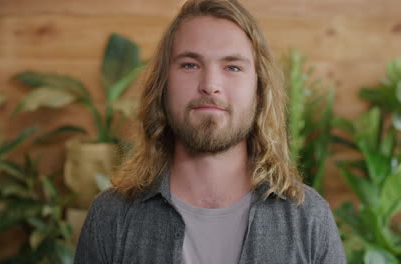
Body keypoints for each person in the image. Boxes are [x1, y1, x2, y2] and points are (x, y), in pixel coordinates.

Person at [74, 0, 346, 263]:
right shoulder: (111, 218)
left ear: (259, 91)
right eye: (190, 65)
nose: (210, 85)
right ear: (163, 86)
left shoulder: (308, 218)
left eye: (232, 67)